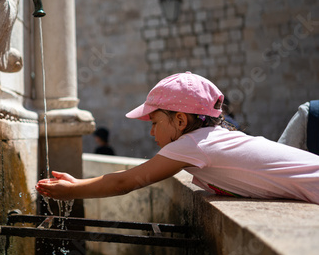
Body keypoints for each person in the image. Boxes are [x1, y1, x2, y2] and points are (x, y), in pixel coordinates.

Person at [36, 72, 319, 204]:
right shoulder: (211, 138)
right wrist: (78, 183)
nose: (150, 132)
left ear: (181, 121)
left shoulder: (192, 144)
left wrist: (73, 190)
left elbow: (125, 182)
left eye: (155, 122)